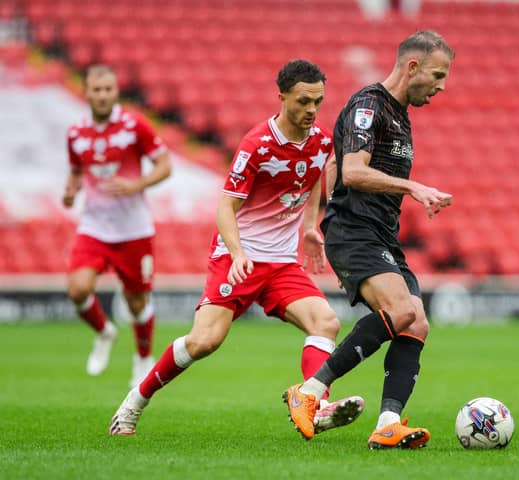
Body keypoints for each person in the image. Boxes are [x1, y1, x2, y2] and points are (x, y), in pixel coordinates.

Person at [109, 60, 364, 436]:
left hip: (280, 263)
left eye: (318, 101)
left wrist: (310, 227)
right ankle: (135, 401)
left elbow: (312, 178)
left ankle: (314, 403)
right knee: (203, 342)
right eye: (303, 101)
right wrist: (239, 252)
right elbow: (225, 207)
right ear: (281, 97)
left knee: (326, 321)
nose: (311, 109)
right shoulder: (256, 145)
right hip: (238, 257)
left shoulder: (322, 140)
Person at [283, 30, 454, 449]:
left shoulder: (398, 114)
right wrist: (412, 187)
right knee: (400, 310)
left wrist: (313, 220)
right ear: (412, 67)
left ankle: (388, 423)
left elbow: (331, 161)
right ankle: (310, 391)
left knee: (417, 321)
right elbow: (353, 171)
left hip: (381, 235)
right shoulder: (369, 105)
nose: (442, 84)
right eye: (437, 74)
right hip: (355, 231)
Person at [63, 64, 172, 387]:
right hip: (94, 227)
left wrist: (137, 184)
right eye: (96, 90)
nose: (102, 95)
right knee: (78, 289)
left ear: (116, 91)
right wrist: (71, 190)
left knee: (137, 302)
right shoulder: (76, 133)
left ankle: (143, 357)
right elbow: (75, 170)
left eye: (108, 89)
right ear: (86, 92)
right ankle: (104, 332)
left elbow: (165, 166)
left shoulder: (134, 125)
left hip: (133, 230)